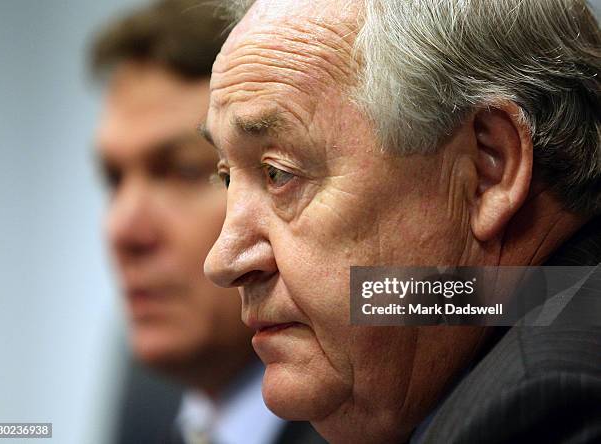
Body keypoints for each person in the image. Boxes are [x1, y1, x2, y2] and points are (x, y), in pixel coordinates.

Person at [202, 0, 601, 442]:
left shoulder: (547, 406)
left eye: (280, 173)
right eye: (226, 178)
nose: (224, 261)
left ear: (487, 169)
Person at [90, 1, 325, 443]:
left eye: (181, 171)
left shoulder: (385, 411)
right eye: (114, 179)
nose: (123, 230)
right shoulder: (147, 389)